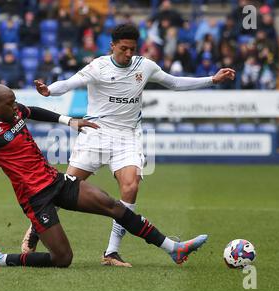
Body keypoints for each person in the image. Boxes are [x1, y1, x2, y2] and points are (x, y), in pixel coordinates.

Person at [28, 24, 235, 267]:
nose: (128, 54)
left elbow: (174, 83)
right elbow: (69, 83)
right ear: (112, 46)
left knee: (131, 186)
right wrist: (48, 90)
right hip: (95, 134)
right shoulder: (98, 66)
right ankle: (32, 236)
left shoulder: (144, 66)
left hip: (127, 136)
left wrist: (212, 79)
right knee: (63, 188)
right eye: (123, 48)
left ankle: (111, 252)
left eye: (132, 49)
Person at [0, 84, 209, 268]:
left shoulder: (14, 110)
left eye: (15, 101)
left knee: (113, 206)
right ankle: (0, 259)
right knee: (63, 259)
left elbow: (33, 110)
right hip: (35, 198)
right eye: (10, 103)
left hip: (55, 180)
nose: (16, 106)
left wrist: (69, 121)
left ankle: (173, 249)